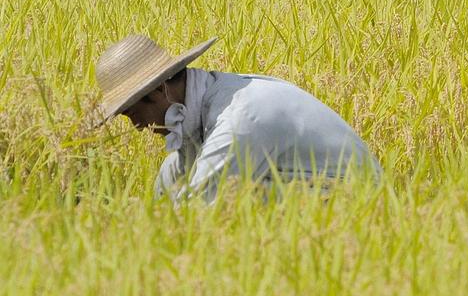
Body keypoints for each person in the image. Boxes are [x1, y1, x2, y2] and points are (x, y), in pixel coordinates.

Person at [93, 33, 381, 202]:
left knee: (234, 200)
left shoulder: (239, 119)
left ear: (159, 91)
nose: (138, 127)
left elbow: (200, 212)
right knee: (172, 174)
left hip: (357, 205)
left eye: (132, 113)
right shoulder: (203, 118)